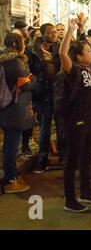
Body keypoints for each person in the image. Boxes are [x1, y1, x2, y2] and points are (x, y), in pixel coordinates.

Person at [59, 19, 91, 212]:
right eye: (88, 51)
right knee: (73, 160)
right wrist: (70, 31)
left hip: (90, 120)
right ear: (79, 57)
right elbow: (63, 53)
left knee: (87, 156)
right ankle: (70, 200)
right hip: (76, 120)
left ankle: (85, 192)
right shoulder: (73, 71)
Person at [0, 33, 36, 193]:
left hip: (6, 107)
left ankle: (11, 174)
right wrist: (34, 79)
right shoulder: (15, 62)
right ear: (15, 44)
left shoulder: (4, 59)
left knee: (9, 142)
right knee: (12, 144)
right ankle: (10, 179)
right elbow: (26, 84)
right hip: (15, 108)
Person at [27, 22, 63, 173]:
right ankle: (43, 160)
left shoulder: (60, 47)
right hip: (42, 95)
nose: (54, 34)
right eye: (50, 32)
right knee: (44, 129)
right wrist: (36, 86)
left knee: (61, 127)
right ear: (41, 34)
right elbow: (28, 71)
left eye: (55, 32)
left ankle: (64, 158)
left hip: (59, 94)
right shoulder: (32, 50)